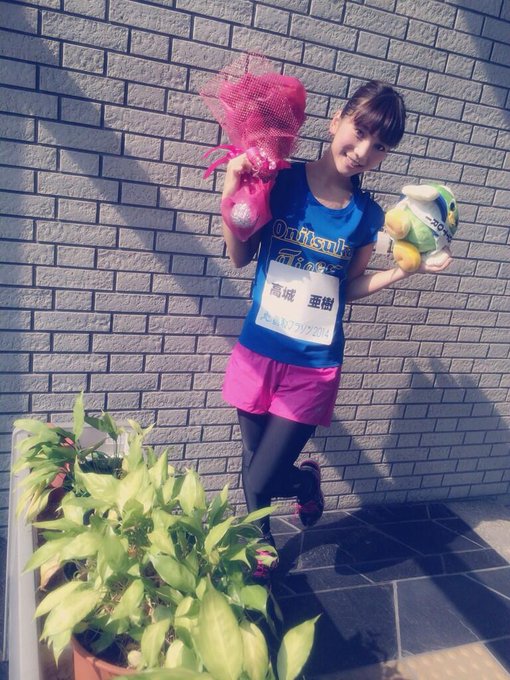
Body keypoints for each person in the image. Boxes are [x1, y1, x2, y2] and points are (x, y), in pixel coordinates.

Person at [220, 80, 452, 557]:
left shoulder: (366, 216)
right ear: (335, 122)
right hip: (257, 351)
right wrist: (232, 190)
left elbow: (346, 288)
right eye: (360, 132)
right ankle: (293, 501)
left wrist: (401, 272)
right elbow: (240, 257)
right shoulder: (280, 180)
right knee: (255, 462)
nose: (364, 151)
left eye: (380, 146)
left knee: (261, 476)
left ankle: (267, 542)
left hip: (313, 364)